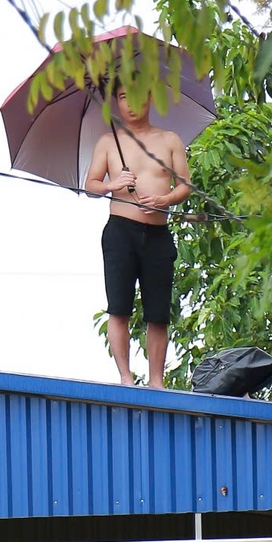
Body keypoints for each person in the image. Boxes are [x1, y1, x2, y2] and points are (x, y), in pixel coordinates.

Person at [83, 82, 191, 388]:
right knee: (119, 307)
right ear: (115, 102)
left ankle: (157, 379)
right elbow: (90, 184)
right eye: (122, 97)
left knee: (158, 312)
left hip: (157, 231)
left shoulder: (169, 140)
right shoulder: (108, 142)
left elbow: (185, 185)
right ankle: (126, 377)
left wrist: (165, 200)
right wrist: (111, 184)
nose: (131, 104)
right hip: (121, 231)